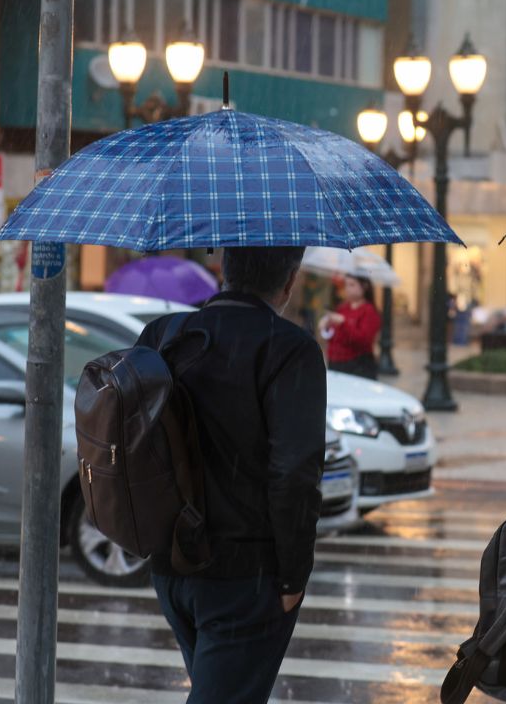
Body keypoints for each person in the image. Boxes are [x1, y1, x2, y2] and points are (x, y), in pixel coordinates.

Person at [135, 246, 326, 704]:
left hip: (172, 564)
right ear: (290, 280)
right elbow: (294, 472)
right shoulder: (289, 348)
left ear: (224, 269)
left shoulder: (164, 334)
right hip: (245, 574)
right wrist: (293, 577)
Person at [320, 274, 382, 380]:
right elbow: (334, 336)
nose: (347, 289)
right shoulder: (342, 308)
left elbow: (364, 340)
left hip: (357, 366)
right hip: (335, 363)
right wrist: (326, 326)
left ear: (365, 286)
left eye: (352, 285)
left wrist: (343, 323)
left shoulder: (369, 311)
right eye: (346, 285)